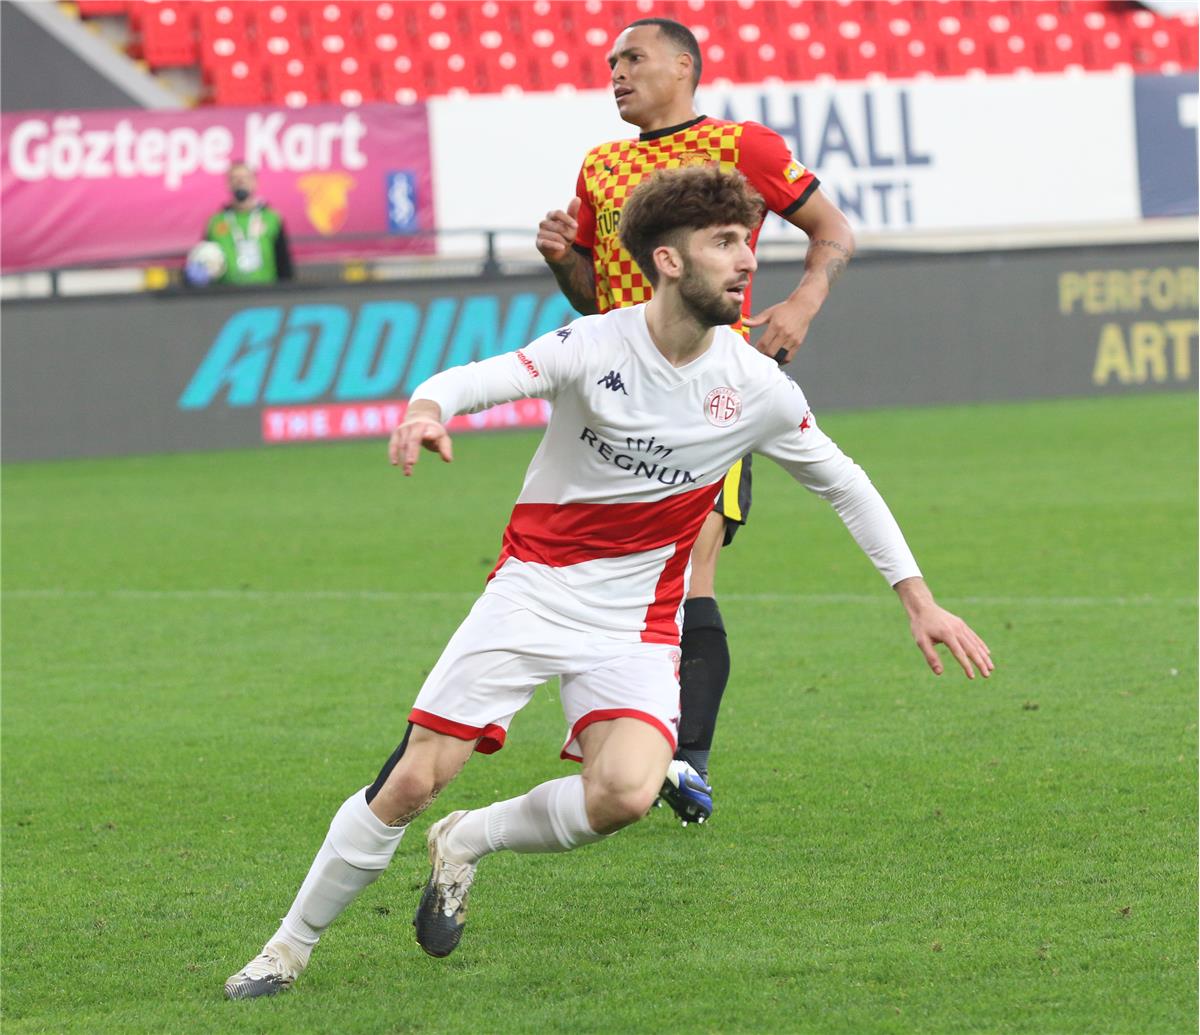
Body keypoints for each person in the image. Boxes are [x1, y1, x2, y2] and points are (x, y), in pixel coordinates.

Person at [224, 165, 992, 1000]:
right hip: (532, 590)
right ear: (667, 260)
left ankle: (468, 839)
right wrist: (425, 410)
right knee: (412, 777)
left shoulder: (755, 385)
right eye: (724, 243)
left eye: (747, 242)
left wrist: (918, 598)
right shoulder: (595, 346)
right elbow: (475, 379)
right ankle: (287, 948)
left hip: (636, 618)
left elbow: (843, 480)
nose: (745, 264)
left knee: (625, 792)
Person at [536, 18, 855, 821]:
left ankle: (687, 760)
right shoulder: (600, 166)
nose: (615, 72)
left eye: (632, 59)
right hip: (608, 400)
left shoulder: (740, 146)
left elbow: (833, 231)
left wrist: (803, 303)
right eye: (610, 62)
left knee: (689, 570)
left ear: (683, 66)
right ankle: (620, 734)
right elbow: (595, 294)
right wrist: (562, 260)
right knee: (578, 571)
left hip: (706, 388)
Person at [189, 161, 294, 286]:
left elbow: (284, 263)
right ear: (228, 184)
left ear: (255, 182)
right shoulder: (216, 221)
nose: (240, 182)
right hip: (227, 294)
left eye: (245, 178)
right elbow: (206, 258)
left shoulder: (272, 218)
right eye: (235, 178)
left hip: (265, 292)